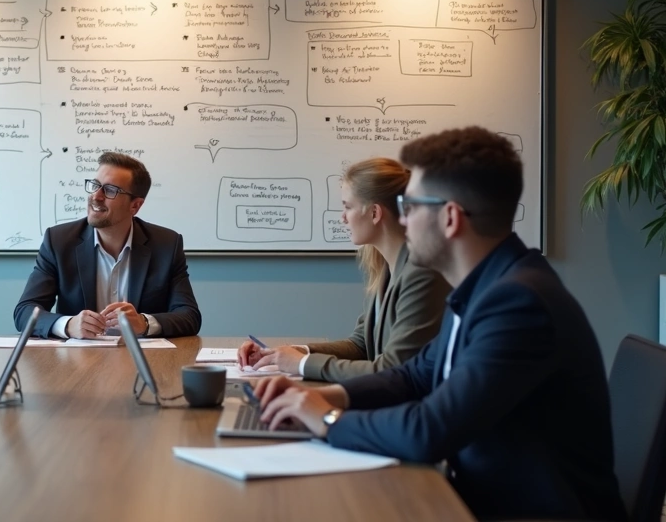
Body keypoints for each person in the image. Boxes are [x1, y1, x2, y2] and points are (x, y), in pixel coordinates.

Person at [250, 127, 625, 521]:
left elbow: (430, 429)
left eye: (410, 207)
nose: (403, 221)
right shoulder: (487, 287)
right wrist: (330, 397)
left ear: (449, 218)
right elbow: (413, 376)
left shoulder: (518, 304)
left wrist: (326, 419)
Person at [236, 157, 450, 381]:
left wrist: (302, 363)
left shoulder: (422, 274)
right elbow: (361, 345)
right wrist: (286, 354)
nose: (343, 218)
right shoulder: (385, 268)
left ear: (375, 213)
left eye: (348, 207)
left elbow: (394, 370)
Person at [14, 152, 201, 339]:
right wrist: (68, 325)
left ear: (135, 206)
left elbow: (189, 316)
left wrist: (144, 323)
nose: (96, 196)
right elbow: (25, 311)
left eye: (110, 190)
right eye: (95, 185)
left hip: (143, 361)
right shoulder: (59, 241)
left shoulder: (166, 245)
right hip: (78, 362)